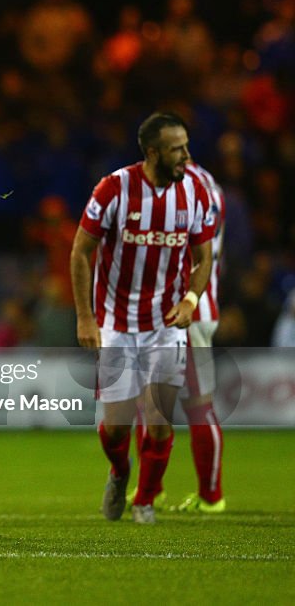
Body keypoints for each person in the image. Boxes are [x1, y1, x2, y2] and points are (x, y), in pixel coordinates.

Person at [70, 111, 216, 525]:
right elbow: (81, 251)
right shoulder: (114, 189)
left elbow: (203, 256)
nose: (186, 155)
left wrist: (190, 299)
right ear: (153, 152)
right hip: (116, 323)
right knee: (116, 430)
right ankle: (120, 472)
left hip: (166, 326)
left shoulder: (195, 194)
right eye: (176, 149)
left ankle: (145, 501)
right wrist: (85, 317)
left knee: (158, 422)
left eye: (186, 146)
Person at [131, 161, 228, 514]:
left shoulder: (179, 187)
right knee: (162, 404)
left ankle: (210, 496)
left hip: (181, 308)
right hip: (200, 305)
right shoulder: (210, 184)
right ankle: (154, 489)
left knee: (187, 405)